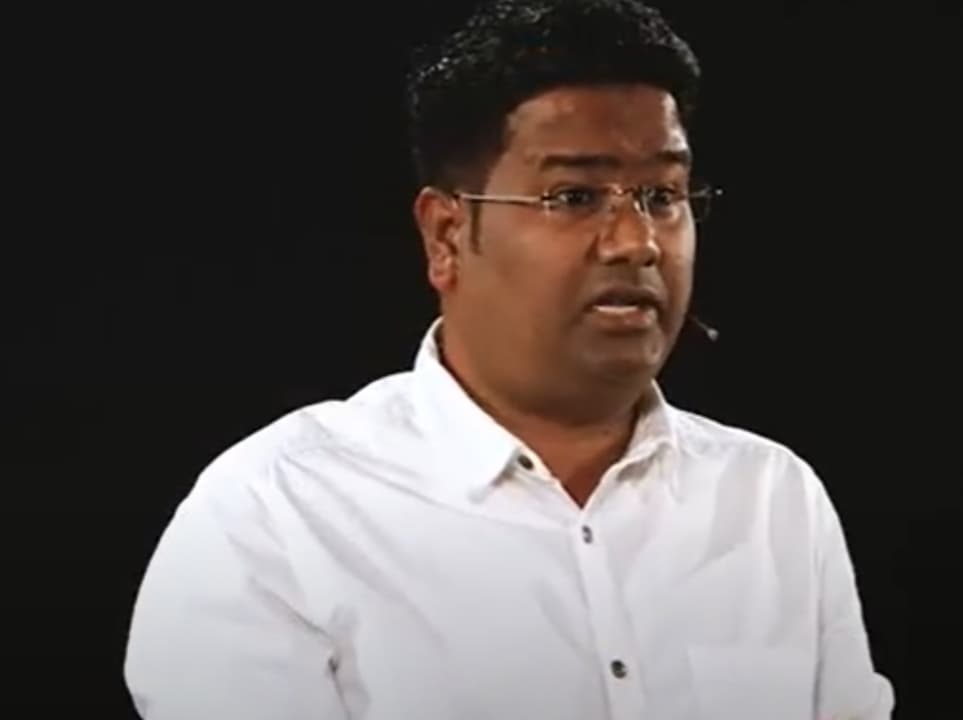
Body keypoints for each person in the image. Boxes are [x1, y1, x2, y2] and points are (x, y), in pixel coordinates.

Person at [122, 0, 894, 718]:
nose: (638, 242)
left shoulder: (770, 502)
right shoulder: (278, 511)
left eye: (663, 196)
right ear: (446, 235)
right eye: (574, 197)